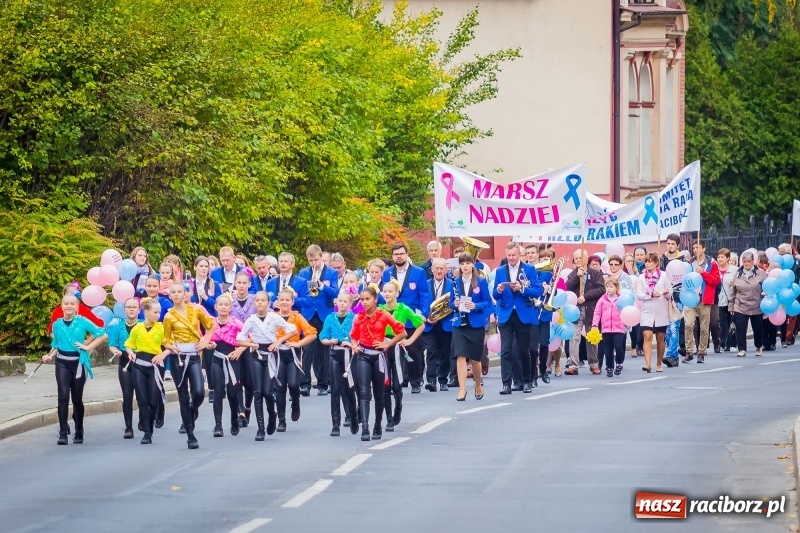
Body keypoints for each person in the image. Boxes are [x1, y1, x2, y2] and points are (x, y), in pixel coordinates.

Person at [43, 293, 108, 445]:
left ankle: (79, 429)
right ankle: (63, 431)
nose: (69, 306)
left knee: (77, 399)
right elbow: (56, 345)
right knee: (63, 395)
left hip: (78, 363)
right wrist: (49, 356)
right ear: (62, 306)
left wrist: (88, 346)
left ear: (77, 307)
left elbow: (102, 334)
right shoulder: (56, 324)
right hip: (62, 362)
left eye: (73, 304)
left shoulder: (83, 321)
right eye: (66, 303)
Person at [237, 292, 297, 441]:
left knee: (268, 392)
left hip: (271, 354)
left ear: (268, 303)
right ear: (254, 303)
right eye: (257, 300)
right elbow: (240, 339)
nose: (260, 303)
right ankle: (260, 428)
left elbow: (293, 330)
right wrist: (251, 344)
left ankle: (272, 413)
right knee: (257, 392)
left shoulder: (273, 317)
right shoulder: (251, 320)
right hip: (256, 355)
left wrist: (278, 341)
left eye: (263, 300)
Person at [162, 282, 215, 449]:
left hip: (194, 356)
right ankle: (191, 436)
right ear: (170, 295)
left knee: (198, 392)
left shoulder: (196, 309)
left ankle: (192, 411)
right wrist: (170, 346)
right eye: (174, 292)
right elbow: (165, 338)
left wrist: (206, 340)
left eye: (180, 292)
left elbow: (210, 325)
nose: (177, 295)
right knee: (183, 395)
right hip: (178, 357)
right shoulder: (168, 316)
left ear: (186, 294)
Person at [350, 287, 407, 441]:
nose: (364, 302)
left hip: (379, 357)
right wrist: (354, 345)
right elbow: (354, 336)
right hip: (363, 356)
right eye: (362, 299)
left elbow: (402, 332)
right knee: (363, 393)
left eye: (367, 299)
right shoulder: (358, 317)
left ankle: (377, 425)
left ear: (375, 299)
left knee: (380, 393)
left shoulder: (384, 315)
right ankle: (365, 428)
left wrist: (387, 344)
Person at [492, 242, 543, 392]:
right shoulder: (500, 270)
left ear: (520, 255)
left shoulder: (529, 269)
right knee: (506, 351)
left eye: (514, 255)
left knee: (523, 349)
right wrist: (499, 289)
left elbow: (538, 290)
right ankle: (506, 383)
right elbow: (495, 294)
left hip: (523, 313)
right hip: (506, 314)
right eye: (509, 256)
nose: (511, 258)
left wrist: (522, 288)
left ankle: (527, 381)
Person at [382, 243, 432, 393]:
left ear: (406, 254)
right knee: (393, 352)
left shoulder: (418, 272)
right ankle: (398, 380)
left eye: (401, 254)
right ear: (392, 256)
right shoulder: (387, 273)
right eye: (396, 254)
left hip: (411, 317)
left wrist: (423, 313)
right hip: (392, 318)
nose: (399, 256)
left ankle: (416, 382)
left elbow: (424, 294)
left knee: (413, 351)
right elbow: (384, 293)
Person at [379, 279, 424, 431]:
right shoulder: (379, 309)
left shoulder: (403, 308)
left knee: (397, 385)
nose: (387, 294)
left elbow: (420, 324)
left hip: (398, 347)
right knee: (385, 385)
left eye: (390, 291)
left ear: (397, 293)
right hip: (383, 348)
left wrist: (410, 340)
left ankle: (398, 406)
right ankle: (389, 418)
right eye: (384, 291)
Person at [125, 298, 169, 444]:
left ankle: (150, 424)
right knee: (142, 399)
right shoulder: (137, 328)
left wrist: (162, 354)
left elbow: (170, 344)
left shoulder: (162, 328)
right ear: (146, 312)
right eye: (155, 312)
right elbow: (129, 344)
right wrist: (130, 352)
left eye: (159, 312)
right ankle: (147, 433)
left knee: (153, 401)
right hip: (139, 365)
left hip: (155, 367)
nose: (158, 315)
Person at [274, 289, 317, 432]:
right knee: (280, 387)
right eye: (282, 300)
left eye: (287, 300)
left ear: (292, 302)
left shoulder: (297, 317)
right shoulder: (273, 317)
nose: (284, 302)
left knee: (293, 384)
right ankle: (281, 420)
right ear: (278, 301)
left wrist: (299, 344)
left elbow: (312, 333)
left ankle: (296, 402)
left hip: (293, 354)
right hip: (278, 354)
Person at [298, 244, 339, 396]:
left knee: (324, 350)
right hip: (309, 314)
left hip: (324, 313)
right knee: (307, 350)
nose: (313, 263)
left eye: (316, 259)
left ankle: (323, 383)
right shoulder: (303, 272)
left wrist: (322, 286)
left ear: (321, 257)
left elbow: (335, 292)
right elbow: (303, 294)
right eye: (310, 261)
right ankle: (305, 383)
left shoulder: (332, 273)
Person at [451, 252, 491, 400]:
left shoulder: (480, 281)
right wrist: (454, 305)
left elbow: (488, 302)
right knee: (460, 356)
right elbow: (450, 303)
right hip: (459, 324)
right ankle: (462, 389)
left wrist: (475, 305)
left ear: (472, 264)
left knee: (475, 359)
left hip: (475, 324)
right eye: (462, 263)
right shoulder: (455, 281)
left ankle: (478, 384)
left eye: (467, 263)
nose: (465, 266)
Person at [207, 293, 247, 437]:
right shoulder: (211, 323)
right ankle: (218, 425)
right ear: (215, 307)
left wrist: (240, 350)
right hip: (217, 359)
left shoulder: (235, 322)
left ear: (230, 307)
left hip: (232, 360)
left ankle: (234, 419)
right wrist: (210, 345)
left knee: (232, 392)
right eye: (220, 305)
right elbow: (206, 340)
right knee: (218, 392)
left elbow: (249, 337)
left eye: (226, 305)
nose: (223, 307)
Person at [320, 291, 359, 436]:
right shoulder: (330, 318)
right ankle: (335, 424)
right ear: (336, 302)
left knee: (350, 388)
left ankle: (353, 417)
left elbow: (359, 336)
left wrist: (350, 342)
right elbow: (323, 337)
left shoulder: (355, 318)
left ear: (350, 304)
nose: (342, 304)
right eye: (340, 301)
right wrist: (329, 341)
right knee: (335, 389)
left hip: (349, 354)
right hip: (335, 354)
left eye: (345, 302)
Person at [564, 249, 605, 375]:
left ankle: (594, 364)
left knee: (591, 337)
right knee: (574, 337)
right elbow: (568, 287)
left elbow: (601, 289)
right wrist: (577, 276)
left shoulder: (595, 273)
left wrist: (586, 296)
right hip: (575, 311)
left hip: (591, 309)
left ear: (586, 259)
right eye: (576, 258)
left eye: (580, 258)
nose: (578, 261)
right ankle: (573, 365)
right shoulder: (573, 273)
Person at [107, 298, 142, 439]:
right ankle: (128, 427)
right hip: (125, 362)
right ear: (124, 310)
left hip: (141, 362)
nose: (132, 309)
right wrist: (115, 351)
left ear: (139, 309)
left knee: (142, 395)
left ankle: (143, 419)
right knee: (127, 395)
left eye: (134, 307)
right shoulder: (117, 326)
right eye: (129, 307)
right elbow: (112, 344)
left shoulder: (143, 325)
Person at [684, 240, 720, 363]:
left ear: (703, 249)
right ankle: (689, 351)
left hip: (704, 299)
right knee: (689, 325)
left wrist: (704, 273)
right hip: (690, 299)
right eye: (693, 247)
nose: (695, 250)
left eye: (698, 247)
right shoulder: (689, 263)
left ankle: (701, 351)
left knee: (704, 327)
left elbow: (715, 281)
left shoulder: (711, 263)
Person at [422, 257, 455, 392]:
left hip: (445, 323)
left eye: (442, 268)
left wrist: (442, 314)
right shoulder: (425, 284)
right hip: (429, 324)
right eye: (437, 268)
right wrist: (427, 317)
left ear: (446, 270)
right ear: (431, 269)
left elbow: (454, 303)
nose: (439, 271)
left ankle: (443, 380)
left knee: (445, 352)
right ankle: (431, 380)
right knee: (431, 351)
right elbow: (422, 302)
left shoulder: (452, 285)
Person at [229, 272, 257, 426]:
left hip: (251, 344)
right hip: (233, 344)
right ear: (235, 283)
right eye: (238, 283)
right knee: (236, 379)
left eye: (244, 283)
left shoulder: (255, 300)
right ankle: (240, 412)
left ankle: (247, 406)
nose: (241, 286)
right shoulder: (229, 300)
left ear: (248, 284)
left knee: (249, 381)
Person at [636, 253, 670, 372]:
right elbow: (639, 295)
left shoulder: (664, 276)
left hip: (661, 310)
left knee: (660, 338)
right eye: (646, 261)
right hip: (647, 310)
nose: (648, 264)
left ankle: (659, 363)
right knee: (647, 336)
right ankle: (647, 363)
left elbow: (670, 292)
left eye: (650, 261)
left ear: (656, 263)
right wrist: (650, 295)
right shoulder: (641, 277)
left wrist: (666, 293)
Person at [728, 251, 767, 356]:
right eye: (744, 261)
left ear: (753, 261)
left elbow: (768, 287)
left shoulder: (761, 273)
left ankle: (758, 346)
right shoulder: (737, 273)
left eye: (749, 261)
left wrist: (766, 299)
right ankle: (742, 349)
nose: (746, 263)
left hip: (756, 305)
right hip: (740, 305)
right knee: (740, 328)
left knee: (757, 328)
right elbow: (732, 291)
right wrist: (731, 306)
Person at [592, 278, 627, 377]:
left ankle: (619, 362)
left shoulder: (621, 299)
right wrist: (595, 325)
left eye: (611, 286)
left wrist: (626, 323)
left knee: (618, 346)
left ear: (616, 288)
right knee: (608, 349)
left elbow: (626, 311)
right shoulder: (602, 300)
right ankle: (610, 367)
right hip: (606, 329)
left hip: (618, 328)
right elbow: (597, 313)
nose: (608, 289)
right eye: (607, 286)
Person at [716, 248, 736, 352]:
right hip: (719, 300)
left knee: (732, 323)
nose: (720, 259)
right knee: (722, 324)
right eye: (718, 257)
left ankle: (732, 343)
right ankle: (723, 344)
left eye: (722, 257)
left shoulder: (734, 270)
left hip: (731, 300)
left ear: (728, 258)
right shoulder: (715, 270)